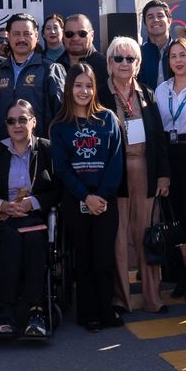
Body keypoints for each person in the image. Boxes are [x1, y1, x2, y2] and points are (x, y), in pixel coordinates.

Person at [0, 99, 58, 340]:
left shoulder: (46, 150)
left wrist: (33, 202)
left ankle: (35, 313)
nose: (17, 125)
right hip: (0, 220)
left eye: (22, 120)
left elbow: (58, 190)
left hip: (33, 219)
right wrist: (1, 205)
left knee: (33, 239)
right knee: (9, 238)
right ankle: (4, 315)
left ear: (34, 122)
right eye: (11, 121)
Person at [54, 61, 125, 332]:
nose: (83, 91)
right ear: (69, 88)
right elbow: (62, 168)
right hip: (77, 201)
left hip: (105, 200)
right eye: (78, 86)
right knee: (83, 259)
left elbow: (115, 162)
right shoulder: (60, 126)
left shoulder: (108, 119)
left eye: (88, 86)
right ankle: (88, 313)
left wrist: (101, 196)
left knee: (104, 259)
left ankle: (106, 309)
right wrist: (85, 197)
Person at [106, 37, 169, 316]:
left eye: (130, 58)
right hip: (115, 173)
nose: (124, 63)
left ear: (138, 64)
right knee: (118, 238)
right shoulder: (100, 94)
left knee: (147, 234)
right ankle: (121, 299)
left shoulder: (147, 93)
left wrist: (163, 175)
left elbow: (159, 138)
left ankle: (153, 297)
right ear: (109, 63)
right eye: (118, 58)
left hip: (145, 168)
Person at [152, 36, 186, 299]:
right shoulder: (160, 90)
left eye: (183, 55)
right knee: (172, 219)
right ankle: (180, 278)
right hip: (168, 157)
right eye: (173, 56)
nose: (178, 60)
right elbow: (158, 132)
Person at [0, 13, 66, 149]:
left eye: (27, 34)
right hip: (3, 153)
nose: (21, 39)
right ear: (9, 37)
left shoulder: (50, 69)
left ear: (36, 36)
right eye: (16, 34)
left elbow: (62, 114)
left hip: (42, 152)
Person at [138, 0, 175, 90]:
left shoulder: (181, 51)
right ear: (145, 24)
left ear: (169, 21)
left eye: (160, 16)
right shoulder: (138, 54)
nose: (155, 20)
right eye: (150, 17)